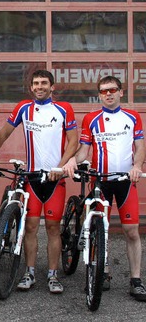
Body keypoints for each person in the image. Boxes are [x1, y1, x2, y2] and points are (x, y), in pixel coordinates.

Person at [0, 69, 77, 294]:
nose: (40, 86)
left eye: (44, 83)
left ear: (52, 86)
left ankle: (53, 274)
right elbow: (3, 134)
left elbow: (73, 141)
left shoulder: (63, 109)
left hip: (55, 178)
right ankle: (29, 272)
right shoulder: (23, 108)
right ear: (31, 87)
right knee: (30, 227)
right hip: (33, 177)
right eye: (36, 83)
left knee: (53, 227)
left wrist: (60, 166)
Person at [63, 75, 146, 301]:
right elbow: (83, 150)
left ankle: (136, 280)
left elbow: (140, 146)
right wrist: (72, 160)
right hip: (100, 181)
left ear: (121, 92)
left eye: (112, 90)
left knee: (131, 231)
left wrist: (137, 165)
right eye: (103, 91)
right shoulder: (91, 119)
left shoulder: (133, 116)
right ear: (99, 94)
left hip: (126, 182)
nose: (108, 94)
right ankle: (104, 272)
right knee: (100, 229)